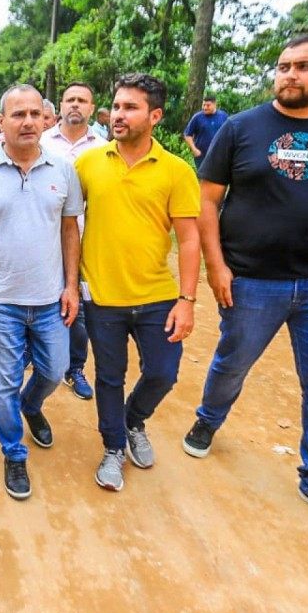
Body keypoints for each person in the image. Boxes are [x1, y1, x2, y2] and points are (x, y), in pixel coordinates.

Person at [183, 35, 308, 543]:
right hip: (251, 279)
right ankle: (208, 419)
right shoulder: (240, 128)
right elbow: (207, 202)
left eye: (303, 67)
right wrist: (217, 266)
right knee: (232, 362)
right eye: (282, 66)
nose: (289, 75)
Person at [0, 84, 83, 501]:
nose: (27, 121)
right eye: (17, 115)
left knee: (53, 369)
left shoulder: (63, 170)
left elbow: (69, 229)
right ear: (2, 122)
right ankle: (14, 452)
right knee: (5, 383)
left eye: (34, 114)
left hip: (49, 298)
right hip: (0, 302)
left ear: (45, 120)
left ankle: (33, 406)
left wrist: (70, 286)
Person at [76, 74, 200, 491]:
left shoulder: (177, 171)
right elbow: (63, 221)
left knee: (164, 373)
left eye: (131, 107)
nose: (118, 114)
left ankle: (133, 420)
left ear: (155, 115)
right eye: (116, 106)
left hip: (157, 297)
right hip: (102, 297)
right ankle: (113, 447)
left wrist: (187, 299)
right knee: (109, 377)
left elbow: (188, 239)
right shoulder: (89, 163)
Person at [40, 82, 107, 401]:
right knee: (37, 302)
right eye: (70, 99)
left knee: (79, 309)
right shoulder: (41, 143)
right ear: (60, 106)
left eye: (82, 100)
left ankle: (75, 368)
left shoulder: (105, 148)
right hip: (43, 241)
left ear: (93, 108)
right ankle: (37, 359)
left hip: (87, 242)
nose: (75, 105)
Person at [183, 95, 229, 168]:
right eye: (203, 105)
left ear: (214, 104)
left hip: (219, 155)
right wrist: (194, 149)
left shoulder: (223, 116)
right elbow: (187, 135)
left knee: (217, 177)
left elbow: (229, 133)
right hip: (201, 155)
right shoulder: (197, 117)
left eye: (208, 105)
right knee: (203, 177)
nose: (205, 108)